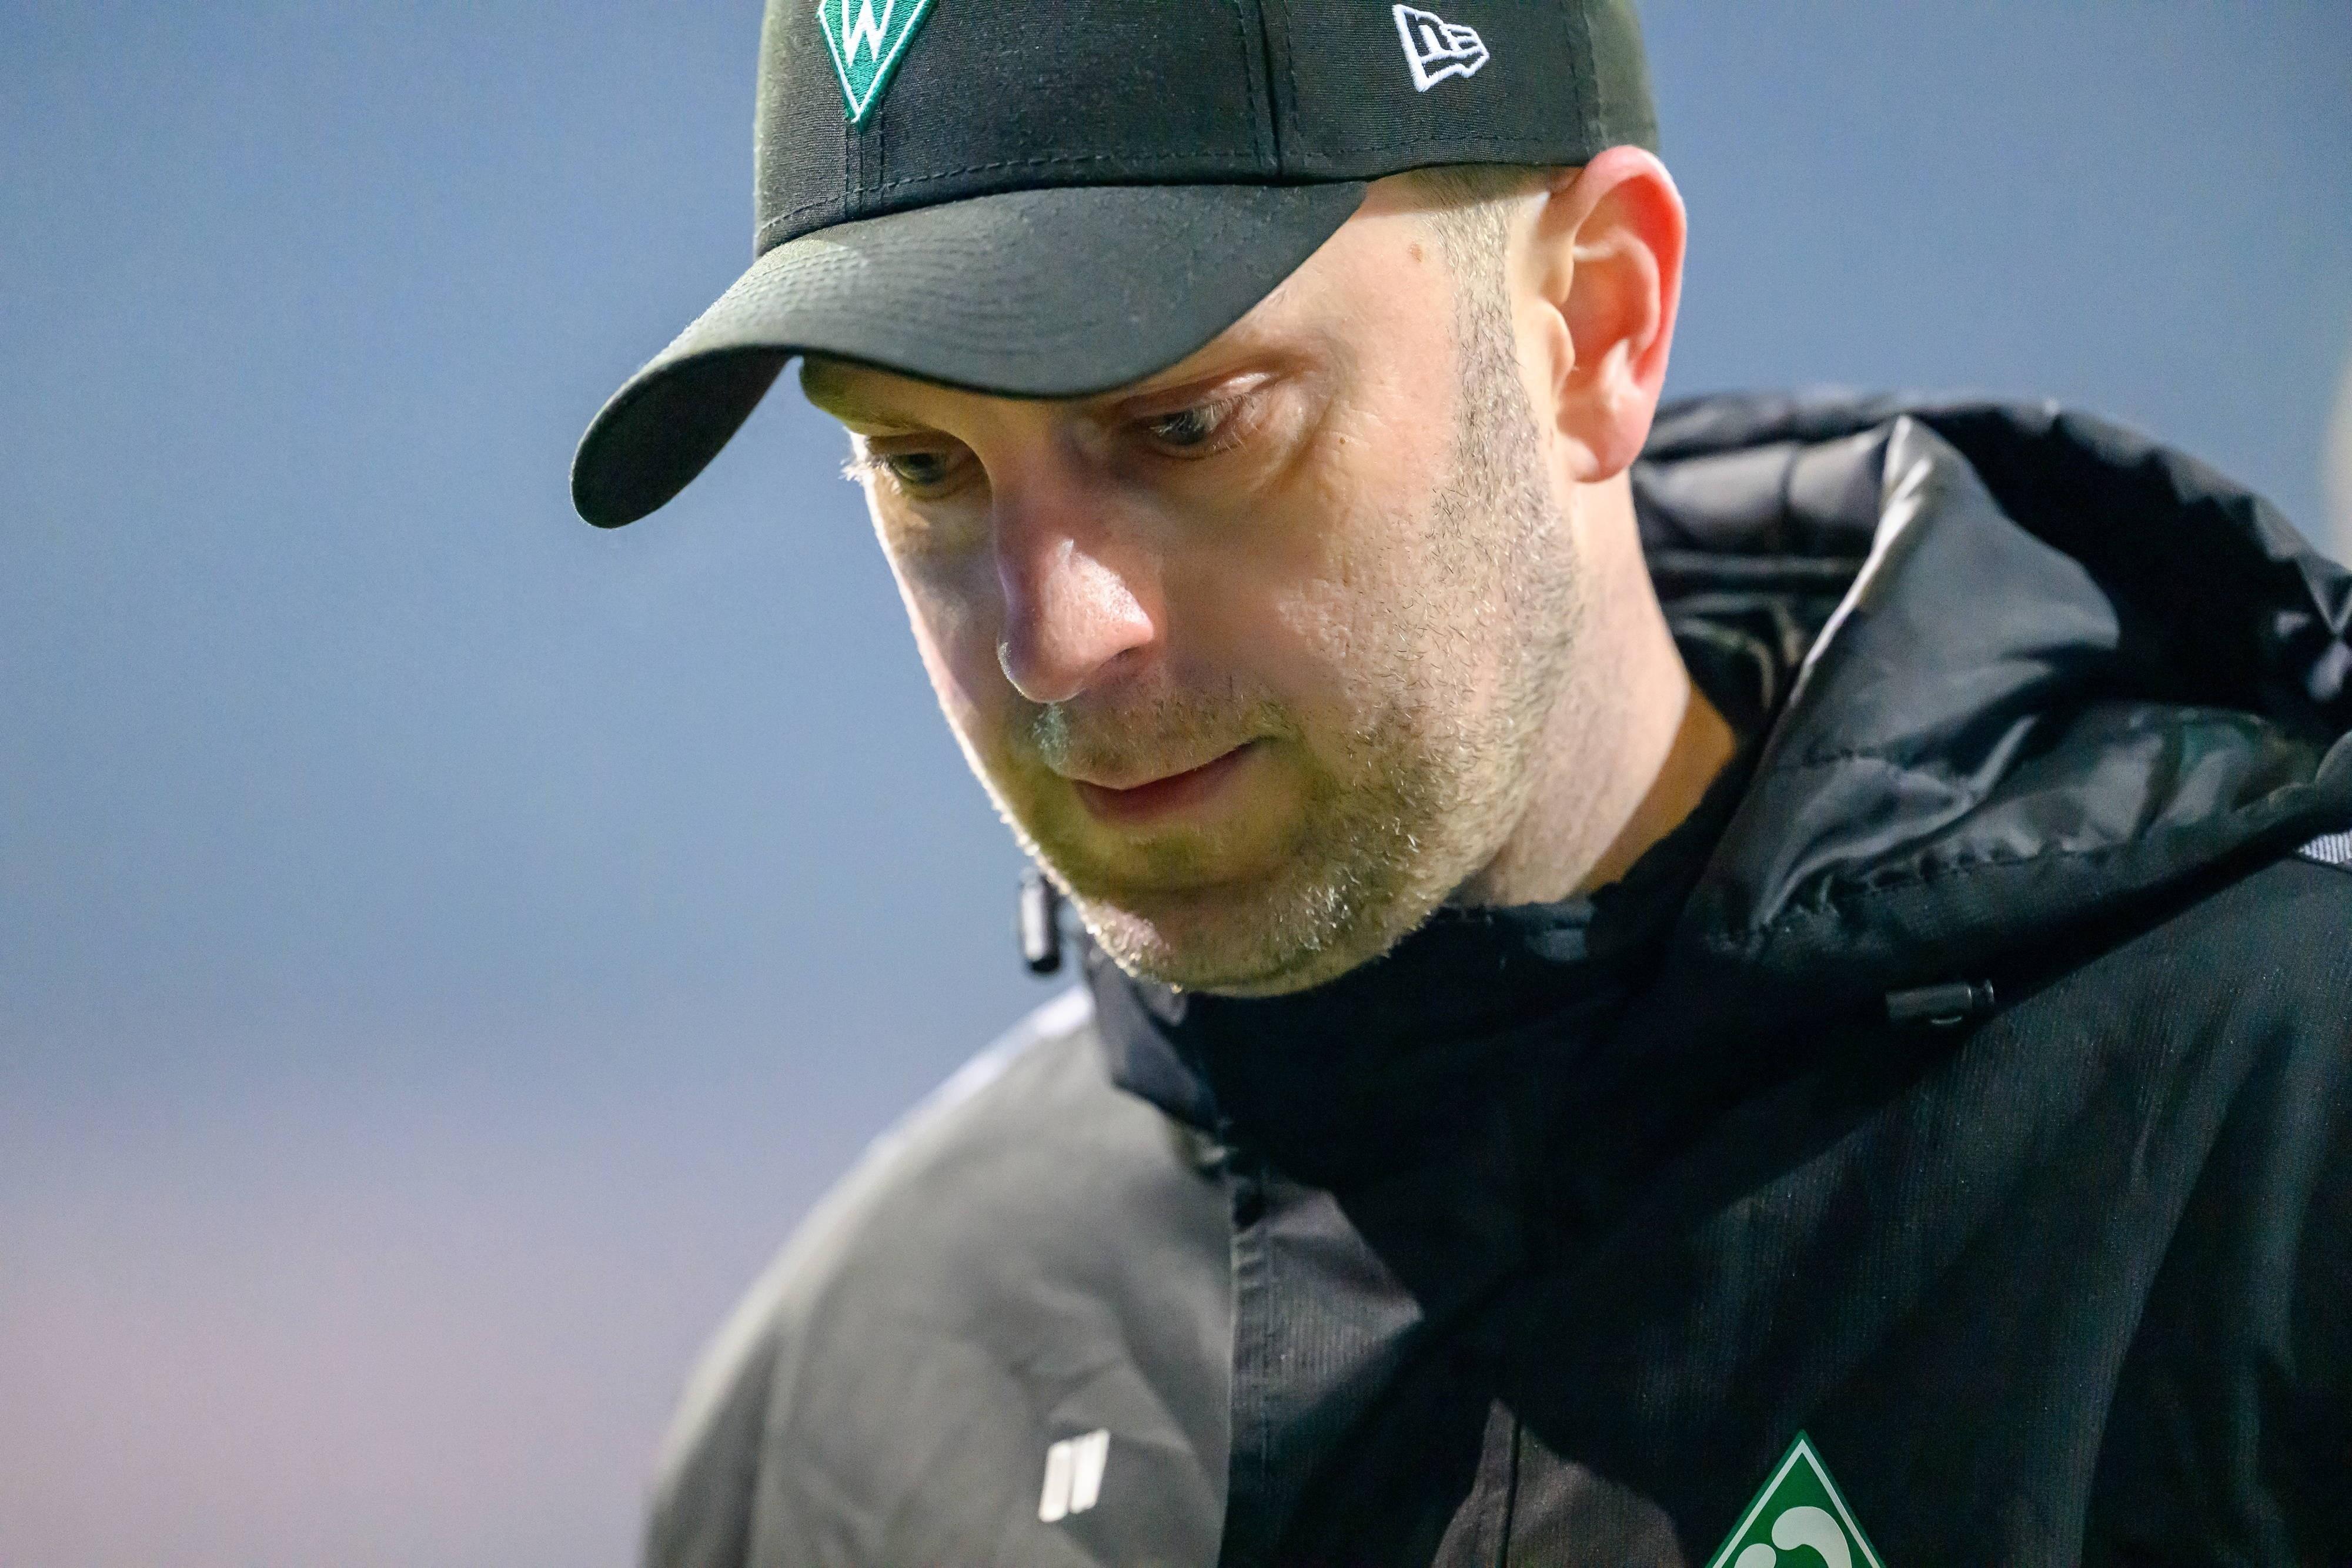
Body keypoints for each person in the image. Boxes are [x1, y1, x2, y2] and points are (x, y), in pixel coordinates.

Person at [572, 4, 2352, 1564]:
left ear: (1595, 323)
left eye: (1186, 424)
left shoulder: (2276, 1147)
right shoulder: (832, 1418)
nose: (1055, 640)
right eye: (921, 463)